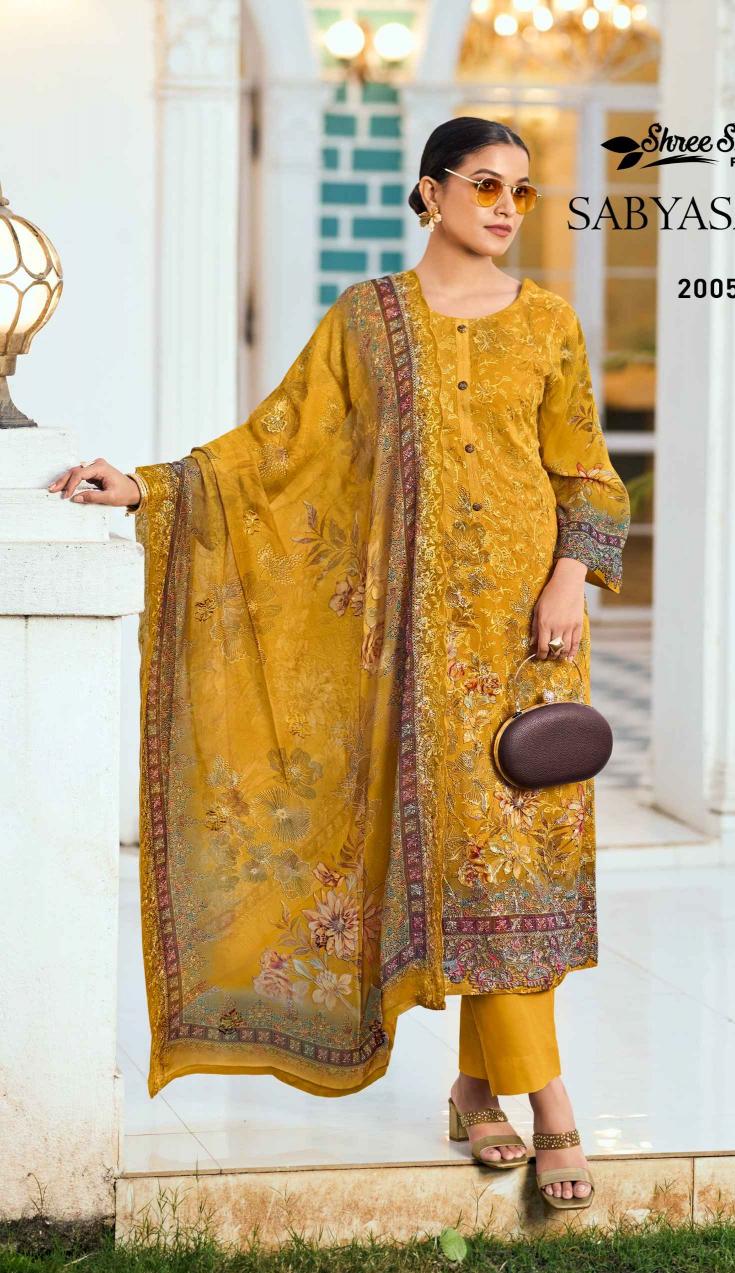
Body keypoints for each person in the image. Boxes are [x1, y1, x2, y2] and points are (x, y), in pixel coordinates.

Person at [48, 116, 630, 1211]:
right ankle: (503, 1097)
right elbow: (280, 450)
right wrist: (154, 488)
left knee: (516, 871)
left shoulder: (548, 321)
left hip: (529, 643)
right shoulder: (367, 320)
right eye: (486, 185)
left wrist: (568, 579)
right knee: (470, 867)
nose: (507, 208)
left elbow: (589, 477)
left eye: (523, 191)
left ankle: (520, 1097)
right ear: (431, 192)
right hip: (411, 651)